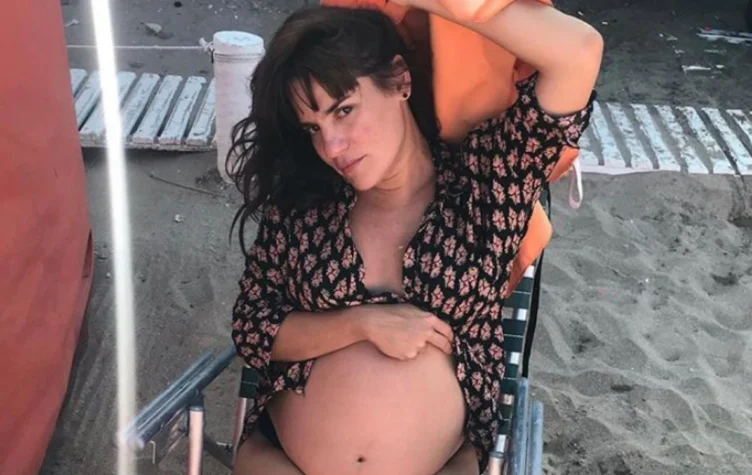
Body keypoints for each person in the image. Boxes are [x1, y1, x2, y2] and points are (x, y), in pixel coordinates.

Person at [229, 1, 602, 474]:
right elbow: (252, 327)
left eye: (344, 110)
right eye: (313, 128)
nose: (331, 146)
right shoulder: (307, 202)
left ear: (400, 80)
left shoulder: (486, 184)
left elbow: (577, 53)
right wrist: (361, 324)